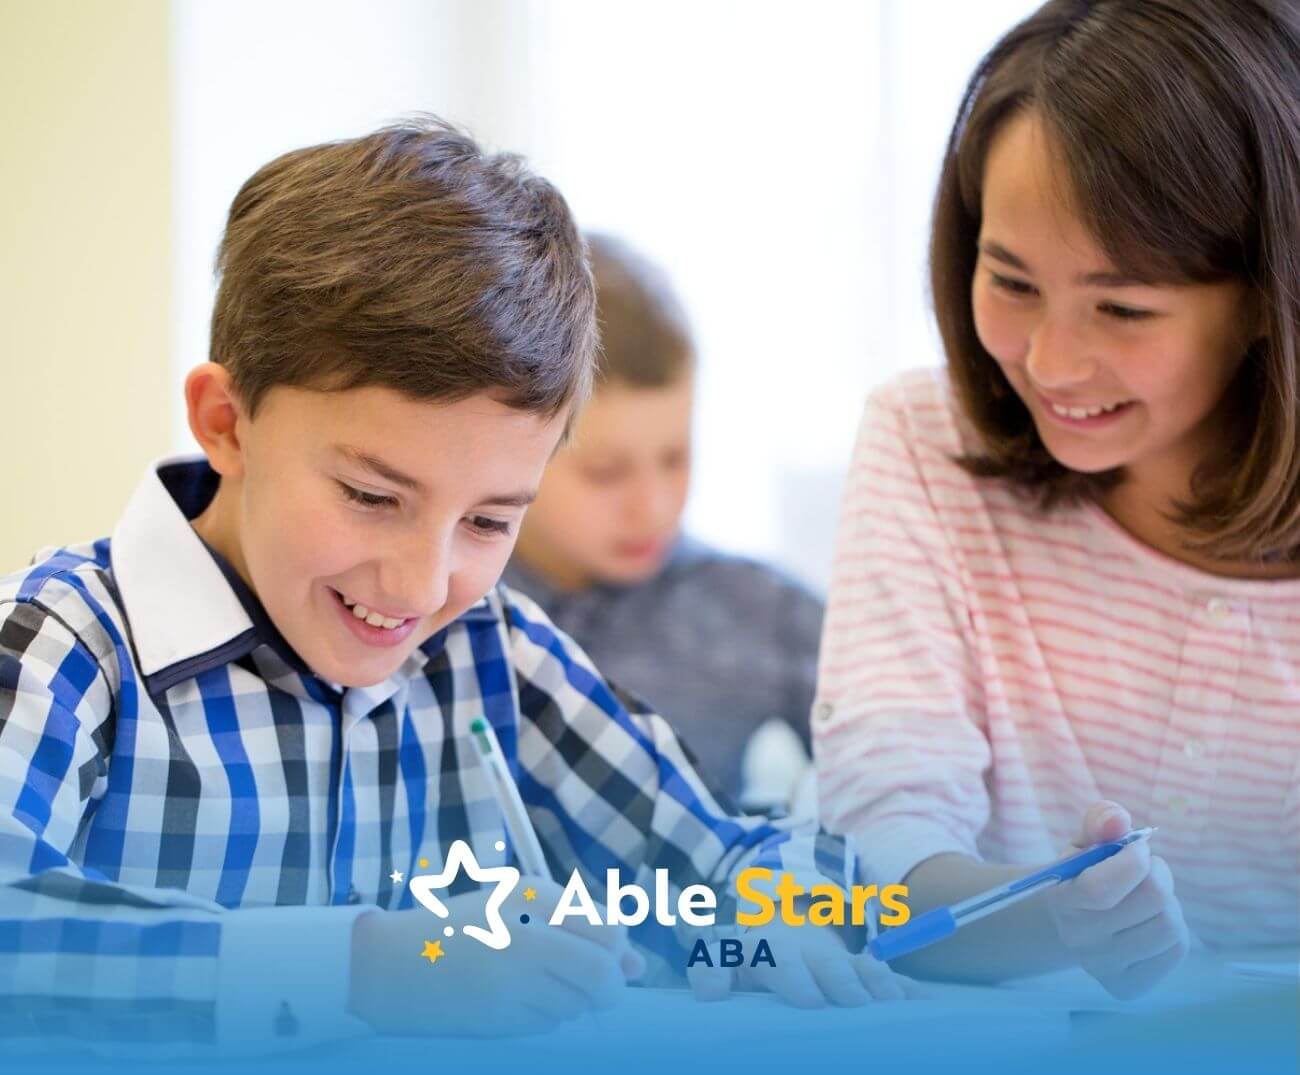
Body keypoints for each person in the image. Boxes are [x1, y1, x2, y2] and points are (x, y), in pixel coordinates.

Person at [0, 119, 902, 1057]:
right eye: (370, 495)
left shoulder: (489, 649)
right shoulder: (66, 643)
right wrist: (363, 968)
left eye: (488, 521)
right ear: (227, 423)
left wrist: (778, 918)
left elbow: (725, 858)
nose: (424, 585)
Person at [816, 0, 1300, 999]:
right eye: (1010, 280)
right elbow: (878, 868)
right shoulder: (923, 444)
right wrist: (1054, 914)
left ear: (1265, 294)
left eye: (1120, 307)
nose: (1048, 362)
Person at [505, 233, 818, 811]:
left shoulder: (757, 608)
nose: (653, 507)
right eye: (605, 472)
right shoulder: (443, 602)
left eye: (676, 458)